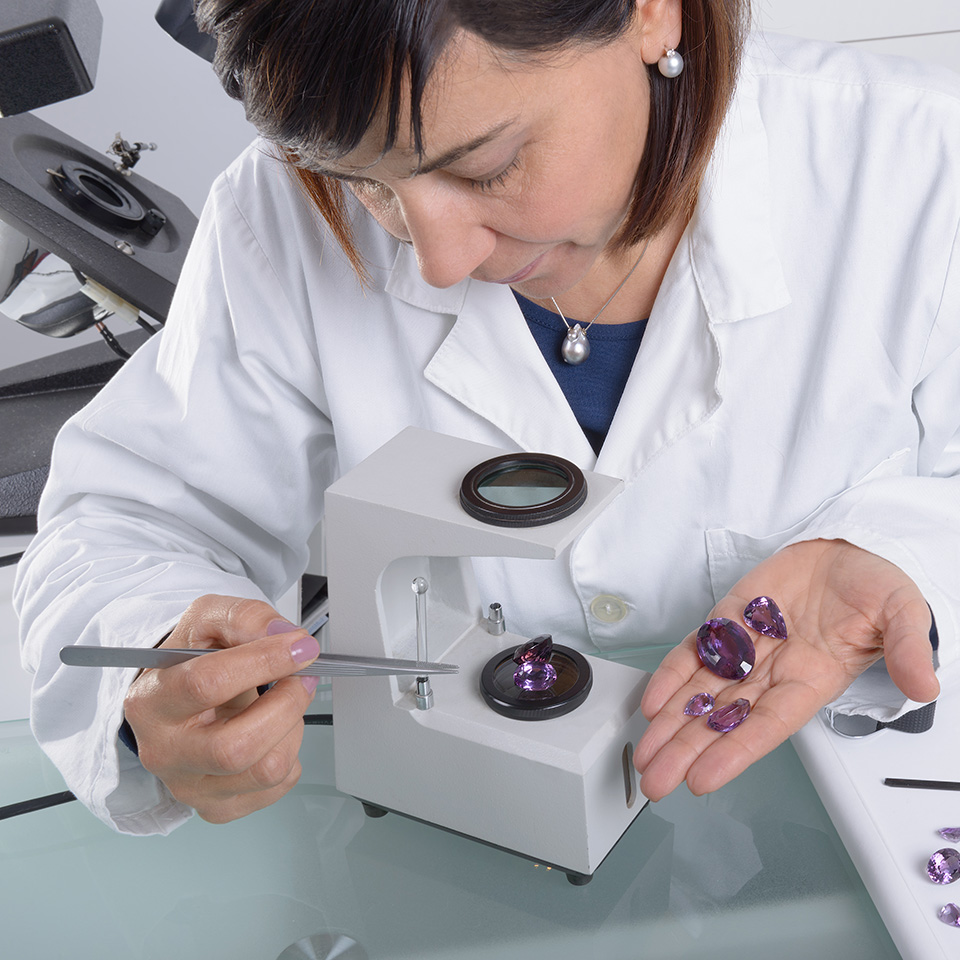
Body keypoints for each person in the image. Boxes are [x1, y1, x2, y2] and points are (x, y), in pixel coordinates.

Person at [14, 0, 956, 835]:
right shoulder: (278, 213)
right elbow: (127, 523)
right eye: (369, 184)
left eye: (491, 166)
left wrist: (898, 552)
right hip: (458, 842)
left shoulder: (917, 164)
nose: (436, 261)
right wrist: (155, 679)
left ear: (652, 15)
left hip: (854, 826)